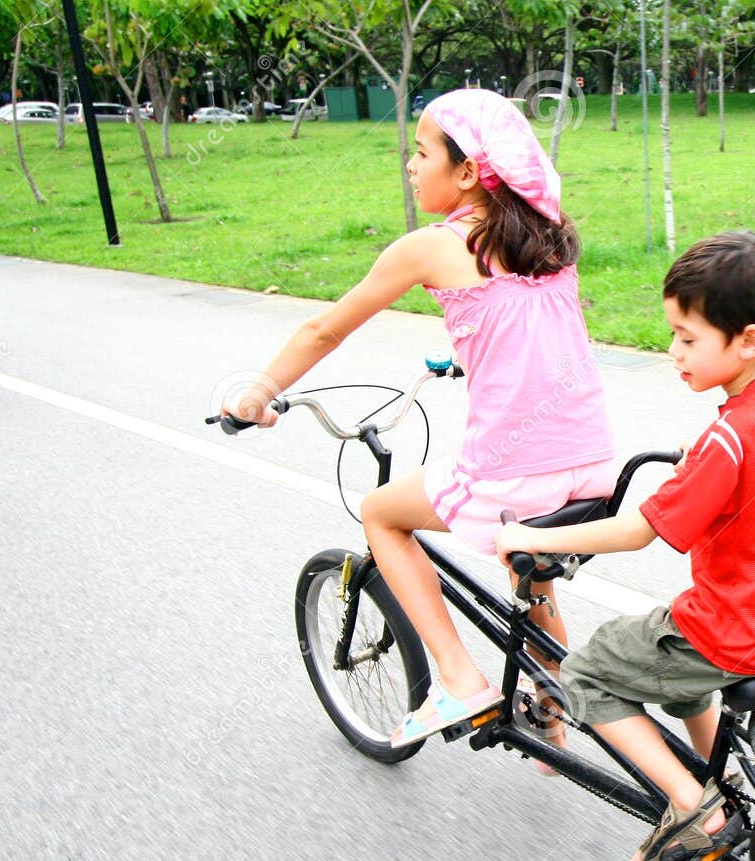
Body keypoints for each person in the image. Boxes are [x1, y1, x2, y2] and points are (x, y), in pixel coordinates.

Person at [221, 88, 615, 749]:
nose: (409, 163)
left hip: (515, 476)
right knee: (531, 570)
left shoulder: (433, 245)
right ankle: (551, 715)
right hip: (594, 468)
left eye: (421, 150)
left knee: (381, 510)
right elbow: (525, 334)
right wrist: (470, 356)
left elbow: (324, 329)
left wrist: (256, 394)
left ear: (467, 172)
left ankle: (460, 680)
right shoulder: (550, 238)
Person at [494, 231, 755, 861]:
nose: (672, 350)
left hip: (733, 630)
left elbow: (637, 530)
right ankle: (720, 780)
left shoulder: (726, 439)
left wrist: (532, 537)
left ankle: (694, 807)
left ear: (749, 340)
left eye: (688, 337)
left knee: (587, 671)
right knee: (671, 667)